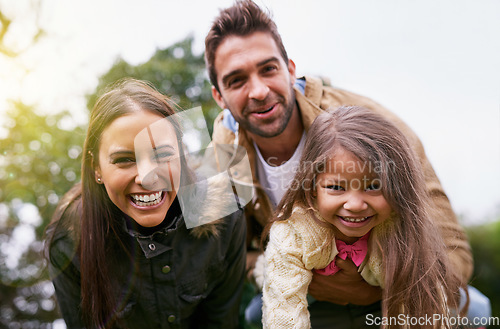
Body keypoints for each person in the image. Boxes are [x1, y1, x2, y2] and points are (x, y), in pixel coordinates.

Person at [204, 0, 476, 326]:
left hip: (397, 287)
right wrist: (274, 266)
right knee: (254, 315)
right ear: (218, 96)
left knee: (474, 308)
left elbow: (454, 249)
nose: (259, 91)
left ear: (291, 69)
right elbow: (210, 257)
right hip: (306, 296)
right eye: (236, 80)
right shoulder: (218, 149)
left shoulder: (375, 126)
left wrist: (373, 290)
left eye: (268, 69)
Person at [45, 78, 246, 328]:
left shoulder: (226, 215)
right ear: (96, 166)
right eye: (124, 159)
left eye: (162, 155)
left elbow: (221, 322)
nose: (147, 177)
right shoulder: (68, 243)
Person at [262, 106, 464, 329]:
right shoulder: (294, 231)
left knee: (473, 309)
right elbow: (284, 316)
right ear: (312, 188)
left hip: (378, 296)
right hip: (300, 285)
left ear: (397, 188)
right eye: (336, 187)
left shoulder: (400, 229)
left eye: (373, 186)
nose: (355, 205)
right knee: (259, 309)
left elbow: (425, 309)